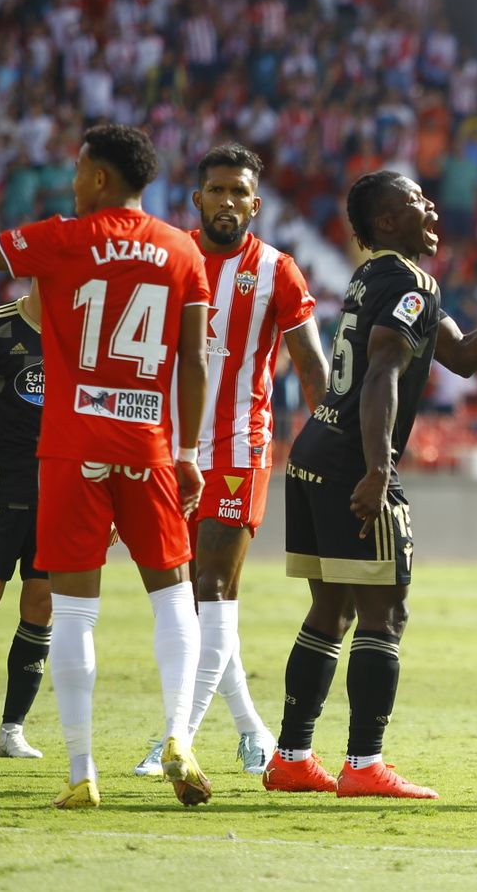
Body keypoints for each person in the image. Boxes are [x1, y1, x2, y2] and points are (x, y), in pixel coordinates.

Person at [263, 171, 477, 799]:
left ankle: (291, 757)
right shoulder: (411, 283)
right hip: (351, 462)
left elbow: (461, 357)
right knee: (385, 613)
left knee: (330, 611)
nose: (431, 205)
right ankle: (364, 765)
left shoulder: (375, 278)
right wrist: (378, 469)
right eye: (416, 201)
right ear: (387, 222)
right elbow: (383, 371)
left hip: (312, 453)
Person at [0, 124, 212, 809]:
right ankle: (178, 736)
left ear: (100, 178)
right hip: (147, 446)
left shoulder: (63, 239)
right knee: (172, 596)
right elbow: (194, 361)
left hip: (73, 449)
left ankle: (82, 773)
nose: (72, 183)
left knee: (73, 611)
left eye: (78, 171)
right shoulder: (182, 249)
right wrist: (188, 454)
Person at [132, 144, 330, 780]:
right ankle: (252, 732)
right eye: (215, 190)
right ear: (197, 199)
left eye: (238, 192)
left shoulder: (277, 271)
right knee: (195, 604)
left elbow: (312, 367)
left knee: (211, 588)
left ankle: (177, 740)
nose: (226, 201)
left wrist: (335, 444)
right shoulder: (170, 258)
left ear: (256, 203)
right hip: (174, 450)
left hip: (242, 447)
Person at [0, 284, 51, 760]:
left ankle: (11, 729)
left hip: (62, 494)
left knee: (41, 604)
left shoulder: (89, 335)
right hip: (1, 488)